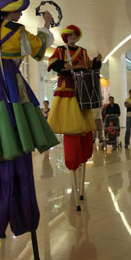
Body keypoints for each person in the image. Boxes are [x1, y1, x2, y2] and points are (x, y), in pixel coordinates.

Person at [0, 0, 59, 239]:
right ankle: (24, 218)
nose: (20, 14)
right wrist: (47, 24)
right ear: (10, 13)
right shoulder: (18, 33)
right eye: (18, 11)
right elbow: (40, 49)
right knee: (18, 138)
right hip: (11, 87)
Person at [47, 24, 102, 172]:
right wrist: (68, 67)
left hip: (81, 92)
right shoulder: (60, 50)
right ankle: (72, 159)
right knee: (70, 125)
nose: (72, 37)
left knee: (83, 124)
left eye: (74, 35)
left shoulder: (83, 52)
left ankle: (83, 154)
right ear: (66, 37)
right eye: (70, 35)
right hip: (67, 88)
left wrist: (97, 61)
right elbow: (53, 63)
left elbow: (90, 67)